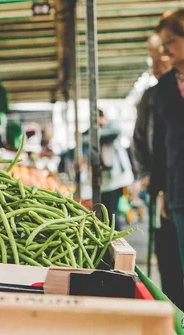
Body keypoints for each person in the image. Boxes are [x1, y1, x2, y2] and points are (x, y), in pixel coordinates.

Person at [133, 34, 183, 310]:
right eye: (152, 60)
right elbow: (140, 139)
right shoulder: (153, 94)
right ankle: (172, 310)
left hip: (176, 183)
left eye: (161, 57)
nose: (156, 66)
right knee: (167, 254)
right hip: (162, 187)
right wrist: (147, 175)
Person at [154, 9, 184, 287]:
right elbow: (163, 142)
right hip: (179, 190)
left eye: (171, 41)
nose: (164, 50)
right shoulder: (164, 87)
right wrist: (162, 187)